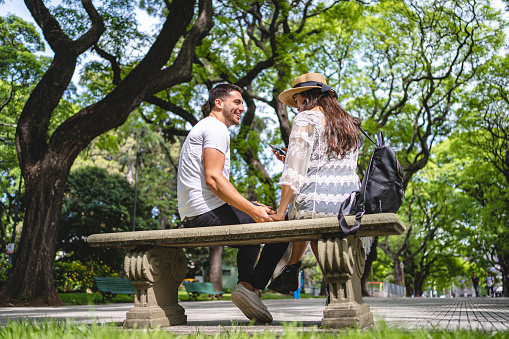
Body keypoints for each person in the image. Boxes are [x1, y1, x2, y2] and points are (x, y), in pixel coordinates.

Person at [177, 84, 288, 323]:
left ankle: (248, 286)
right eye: (236, 102)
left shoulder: (206, 128)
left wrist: (250, 206)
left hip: (197, 212)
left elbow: (213, 183)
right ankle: (252, 288)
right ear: (219, 103)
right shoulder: (216, 128)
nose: (241, 107)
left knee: (259, 215)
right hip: (204, 213)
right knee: (281, 225)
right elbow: (214, 179)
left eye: (242, 103)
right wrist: (251, 210)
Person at [267, 73, 370, 299]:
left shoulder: (306, 119)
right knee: (329, 243)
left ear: (306, 96)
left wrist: (281, 211)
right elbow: (333, 162)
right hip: (349, 200)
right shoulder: (348, 122)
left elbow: (294, 170)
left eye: (296, 100)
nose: (296, 106)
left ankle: (331, 294)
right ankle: (337, 294)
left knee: (308, 220)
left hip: (318, 199)